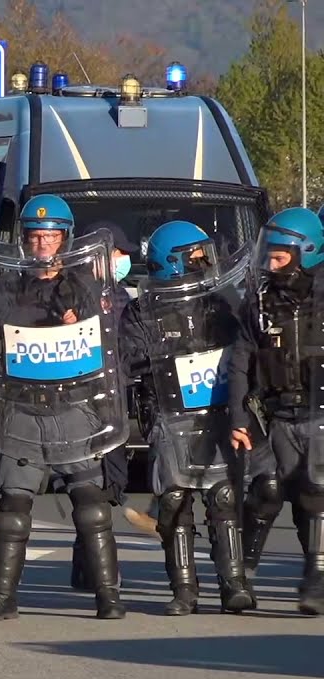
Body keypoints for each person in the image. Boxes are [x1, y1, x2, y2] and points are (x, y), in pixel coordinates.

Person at [0, 194, 128, 621]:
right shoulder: (6, 287)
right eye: (35, 236)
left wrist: (78, 322)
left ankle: (107, 595)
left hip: (72, 407)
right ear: (23, 240)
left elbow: (108, 339)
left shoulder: (86, 285)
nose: (42, 244)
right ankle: (2, 597)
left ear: (66, 239)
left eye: (51, 236)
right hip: (24, 407)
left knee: (91, 504)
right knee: (12, 507)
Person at [127, 220, 257, 614]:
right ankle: (184, 591)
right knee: (176, 502)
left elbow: (245, 347)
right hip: (169, 417)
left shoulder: (222, 300)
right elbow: (128, 356)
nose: (204, 262)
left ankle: (234, 584)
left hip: (215, 409)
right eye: (195, 256)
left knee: (224, 497)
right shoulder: (142, 312)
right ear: (172, 263)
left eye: (205, 254)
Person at [229, 206, 324, 615]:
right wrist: (237, 417)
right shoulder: (259, 302)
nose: (271, 263)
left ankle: (316, 580)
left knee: (315, 494)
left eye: (280, 256)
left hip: (320, 413)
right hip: (276, 414)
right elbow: (239, 363)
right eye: (267, 254)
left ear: (308, 252)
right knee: (266, 492)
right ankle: (240, 572)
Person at [69, 220, 148, 590]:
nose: (125, 259)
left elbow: (133, 348)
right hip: (76, 407)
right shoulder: (65, 295)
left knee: (110, 485)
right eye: (119, 252)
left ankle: (86, 566)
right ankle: (100, 570)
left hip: (113, 404)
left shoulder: (122, 299)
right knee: (89, 486)